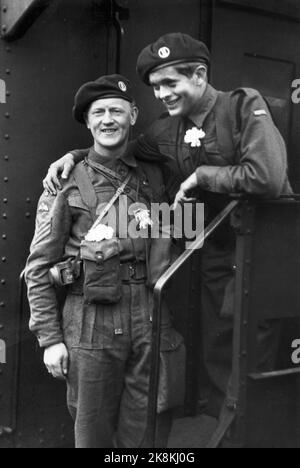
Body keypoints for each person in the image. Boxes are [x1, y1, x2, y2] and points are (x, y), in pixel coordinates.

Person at [43, 33, 292, 419]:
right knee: (218, 351)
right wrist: (74, 157)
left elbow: (268, 177)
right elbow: (115, 147)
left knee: (253, 358)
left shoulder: (242, 107)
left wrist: (201, 177)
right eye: (156, 86)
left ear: (198, 74)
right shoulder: (164, 131)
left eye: (170, 83)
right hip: (216, 254)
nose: (162, 93)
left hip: (265, 256)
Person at [25, 74, 185, 448]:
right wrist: (49, 339)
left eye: (116, 110)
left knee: (148, 428)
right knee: (92, 430)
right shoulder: (65, 182)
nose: (108, 119)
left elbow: (184, 232)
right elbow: (36, 268)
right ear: (88, 122)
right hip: (91, 319)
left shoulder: (155, 175)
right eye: (98, 113)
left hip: (149, 313)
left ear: (133, 115)